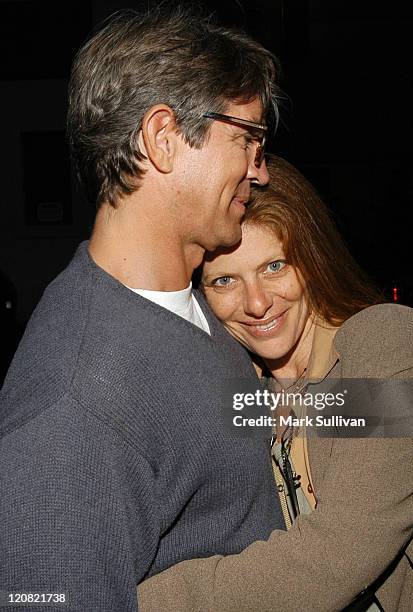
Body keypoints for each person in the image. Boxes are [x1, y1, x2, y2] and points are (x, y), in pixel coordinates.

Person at [0, 7, 286, 611]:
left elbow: (241, 415)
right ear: (163, 138)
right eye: (247, 138)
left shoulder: (202, 299)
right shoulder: (73, 407)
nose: (258, 171)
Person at [138, 155, 413, 611]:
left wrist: (127, 601)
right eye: (225, 280)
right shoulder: (246, 389)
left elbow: (337, 555)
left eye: (275, 267)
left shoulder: (396, 344)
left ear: (313, 260)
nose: (256, 303)